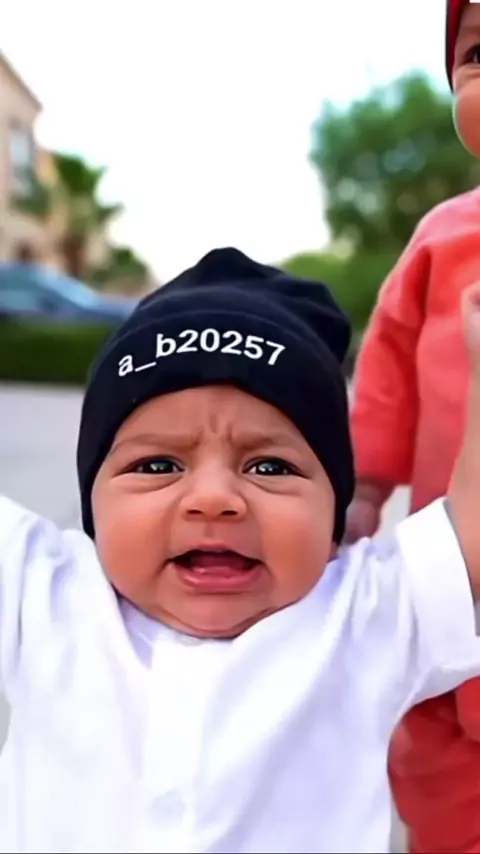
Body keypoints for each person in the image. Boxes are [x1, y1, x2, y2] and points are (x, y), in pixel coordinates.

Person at [3, 246, 480, 854]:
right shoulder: (43, 595)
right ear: (93, 498)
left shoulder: (362, 616)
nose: (214, 498)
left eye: (270, 466)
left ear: (334, 514)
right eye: (158, 465)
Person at [345, 1, 480, 851]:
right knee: (439, 768)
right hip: (452, 595)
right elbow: (388, 371)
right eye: (479, 55)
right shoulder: (442, 239)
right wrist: (361, 487)